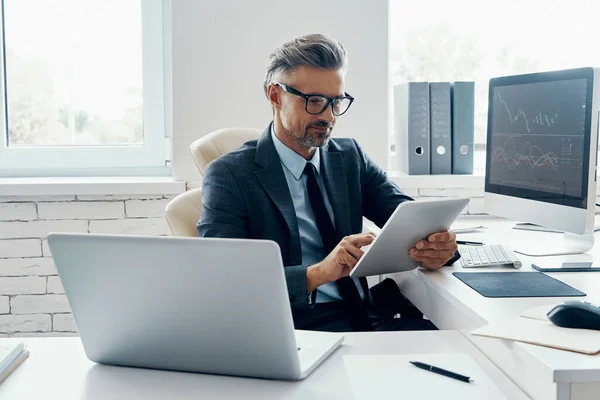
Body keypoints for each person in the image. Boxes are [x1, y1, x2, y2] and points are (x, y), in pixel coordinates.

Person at [197, 33, 459, 332]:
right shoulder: (230, 175)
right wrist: (319, 273)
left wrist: (440, 244)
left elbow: (408, 219)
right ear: (275, 96)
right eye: (315, 101)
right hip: (295, 325)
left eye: (336, 102)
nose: (328, 116)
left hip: (366, 313)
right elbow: (223, 278)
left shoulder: (349, 157)